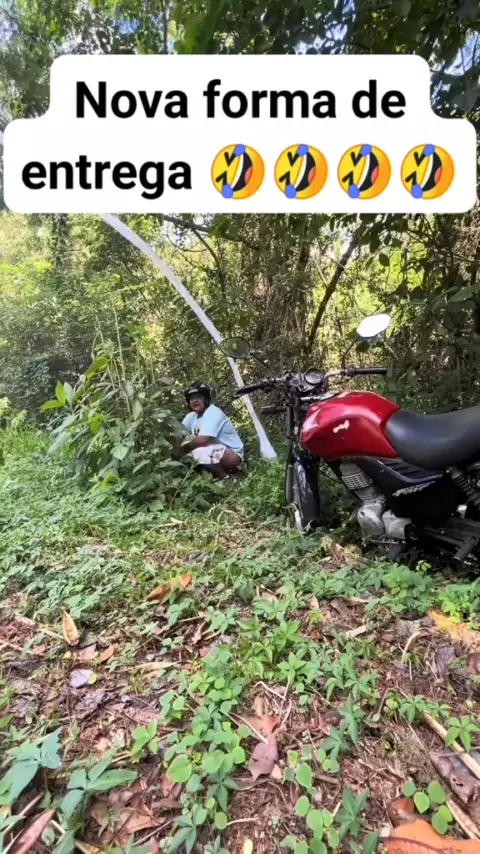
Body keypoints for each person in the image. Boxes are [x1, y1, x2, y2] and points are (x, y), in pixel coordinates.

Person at [180, 381, 243, 480]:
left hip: (231, 454)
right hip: (212, 452)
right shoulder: (190, 417)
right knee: (184, 456)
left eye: (199, 397)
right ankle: (211, 478)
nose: (195, 401)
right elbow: (179, 435)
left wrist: (182, 446)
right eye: (192, 398)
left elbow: (202, 441)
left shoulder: (213, 412)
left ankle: (225, 478)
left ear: (206, 399)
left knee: (197, 452)